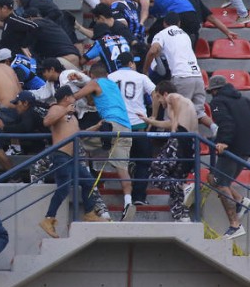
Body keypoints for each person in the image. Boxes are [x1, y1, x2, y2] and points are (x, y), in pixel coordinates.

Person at [205, 74, 250, 240]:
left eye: (211, 92)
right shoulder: (243, 100)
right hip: (246, 148)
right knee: (213, 178)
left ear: (215, 90)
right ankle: (241, 201)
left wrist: (224, 142)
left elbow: (226, 123)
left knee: (220, 184)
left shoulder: (218, 101)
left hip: (231, 148)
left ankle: (235, 225)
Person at [72, 62, 136, 221]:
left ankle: (86, 170)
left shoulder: (94, 83)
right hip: (126, 127)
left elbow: (75, 97)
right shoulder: (113, 85)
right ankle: (128, 202)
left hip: (110, 126)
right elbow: (94, 101)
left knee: (78, 141)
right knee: (122, 167)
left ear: (92, 75)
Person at [39, 85, 103, 238]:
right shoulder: (56, 108)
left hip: (71, 158)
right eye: (73, 96)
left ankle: (89, 213)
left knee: (88, 182)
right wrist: (64, 110)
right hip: (61, 155)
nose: (75, 98)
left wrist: (97, 127)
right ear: (67, 98)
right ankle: (48, 219)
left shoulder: (72, 115)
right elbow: (46, 122)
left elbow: (78, 134)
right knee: (64, 188)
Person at [144, 12, 218, 134]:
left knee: (173, 115)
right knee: (198, 112)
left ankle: (172, 146)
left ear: (164, 23)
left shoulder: (161, 34)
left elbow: (153, 50)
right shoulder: (185, 35)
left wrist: (145, 70)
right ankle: (214, 128)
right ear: (179, 23)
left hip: (181, 76)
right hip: (198, 76)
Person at [138, 80, 199, 222]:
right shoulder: (187, 104)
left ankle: (184, 186)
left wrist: (174, 125)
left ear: (164, 93)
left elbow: (174, 101)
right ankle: (182, 216)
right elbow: (171, 123)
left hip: (180, 139)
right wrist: (150, 121)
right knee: (176, 178)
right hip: (191, 144)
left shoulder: (172, 97)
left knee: (155, 172)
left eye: (158, 97)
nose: (159, 102)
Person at [108, 52, 156, 205]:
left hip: (118, 126)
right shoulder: (141, 77)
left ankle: (127, 196)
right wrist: (153, 116)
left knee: (122, 161)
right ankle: (138, 197)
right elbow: (156, 94)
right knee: (143, 161)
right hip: (138, 124)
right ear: (130, 63)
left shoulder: (110, 77)